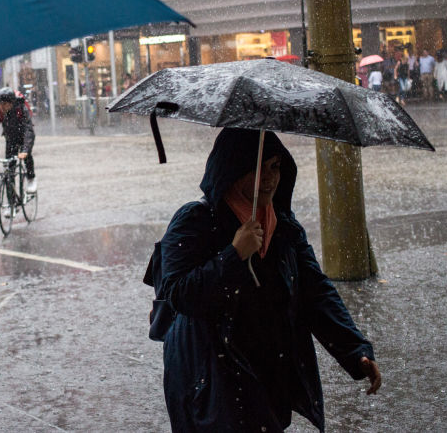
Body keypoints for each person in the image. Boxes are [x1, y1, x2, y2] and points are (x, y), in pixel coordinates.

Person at [159, 128, 381, 431]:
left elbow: (316, 293)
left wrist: (356, 351)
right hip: (211, 379)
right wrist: (234, 255)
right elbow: (179, 293)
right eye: (257, 168)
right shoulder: (194, 221)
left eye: (275, 167)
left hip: (268, 372)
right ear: (233, 168)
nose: (269, 178)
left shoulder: (284, 227)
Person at [0, 87, 37, 193]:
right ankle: (11, 204)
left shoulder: (21, 109)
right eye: (0, 104)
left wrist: (25, 150)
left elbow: (29, 130)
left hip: (24, 137)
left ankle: (31, 178)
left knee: (27, 157)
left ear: (11, 103)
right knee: (9, 172)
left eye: (4, 104)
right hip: (10, 139)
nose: (1, 107)